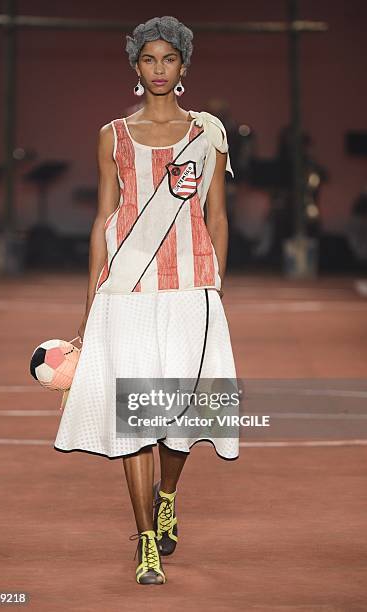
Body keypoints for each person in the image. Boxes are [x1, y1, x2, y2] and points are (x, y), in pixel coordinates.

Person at [53, 15, 239, 585]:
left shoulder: (208, 133)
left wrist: (216, 285)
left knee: (181, 413)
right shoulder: (112, 134)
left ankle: (166, 495)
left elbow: (218, 216)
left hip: (190, 289)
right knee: (135, 416)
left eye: (170, 59)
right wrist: (91, 303)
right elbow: (104, 218)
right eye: (149, 59)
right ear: (136, 67)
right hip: (126, 291)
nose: (159, 69)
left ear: (184, 66)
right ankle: (145, 542)